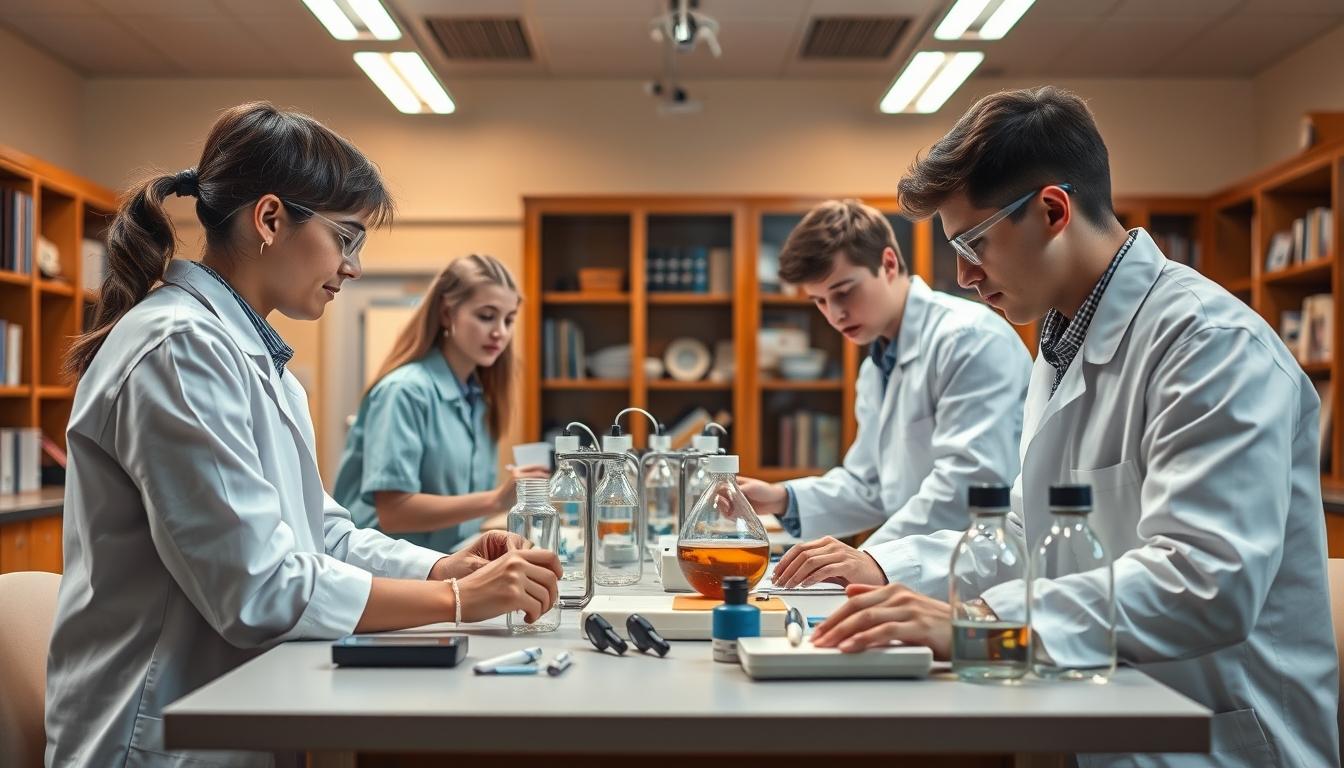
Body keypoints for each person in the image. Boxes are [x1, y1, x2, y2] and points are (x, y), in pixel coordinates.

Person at [795, 86, 1339, 767]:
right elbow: (1029, 536)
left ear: (1052, 210)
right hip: (1095, 713)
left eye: (974, 242)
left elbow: (1205, 579)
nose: (964, 275)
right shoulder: (1058, 345)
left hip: (1217, 740)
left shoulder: (1209, 345)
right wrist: (887, 569)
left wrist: (981, 625)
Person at [45, 102, 560, 767]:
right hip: (158, 737)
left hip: (236, 712)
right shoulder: (178, 348)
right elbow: (257, 589)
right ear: (269, 219)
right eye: (346, 238)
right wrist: (457, 599)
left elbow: (324, 535)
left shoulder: (261, 364)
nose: (353, 267)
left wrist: (441, 565)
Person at [738, 199, 1031, 587]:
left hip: (977, 577)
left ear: (889, 264)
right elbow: (869, 484)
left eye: (843, 292)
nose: (834, 314)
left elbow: (966, 486)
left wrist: (870, 560)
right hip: (920, 574)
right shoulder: (876, 365)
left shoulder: (968, 340)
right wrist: (780, 498)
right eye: (820, 301)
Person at [333, 254, 549, 554]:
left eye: (509, 319)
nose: (500, 331)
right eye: (487, 316)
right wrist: (496, 499)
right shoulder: (404, 391)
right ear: (448, 314)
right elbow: (394, 512)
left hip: (441, 565)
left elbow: (459, 514)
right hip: (383, 573)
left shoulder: (479, 399)